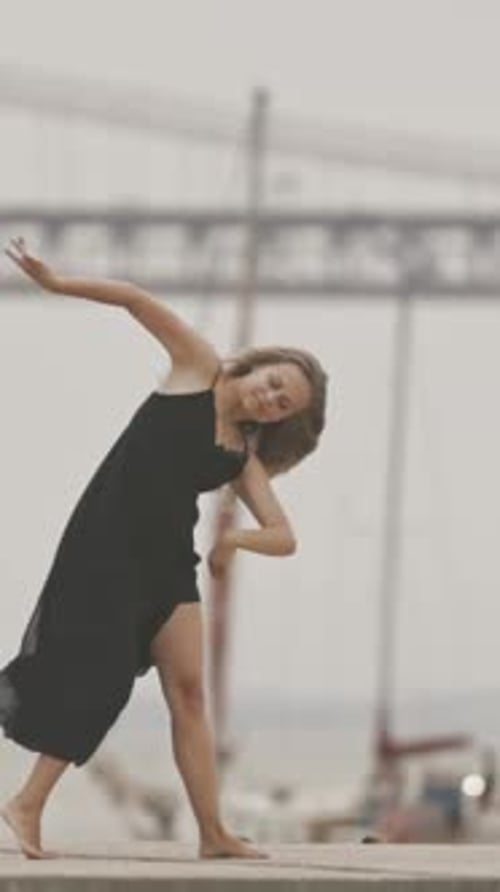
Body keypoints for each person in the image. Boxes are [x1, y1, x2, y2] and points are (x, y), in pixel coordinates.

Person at [0, 237, 328, 860]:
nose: (270, 399)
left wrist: (235, 538)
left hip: (169, 565)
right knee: (101, 681)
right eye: (274, 383)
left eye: (282, 404)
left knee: (189, 692)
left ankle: (211, 832)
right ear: (261, 366)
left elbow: (284, 536)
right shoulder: (197, 366)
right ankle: (27, 803)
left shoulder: (242, 452)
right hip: (106, 547)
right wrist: (56, 283)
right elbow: (134, 300)